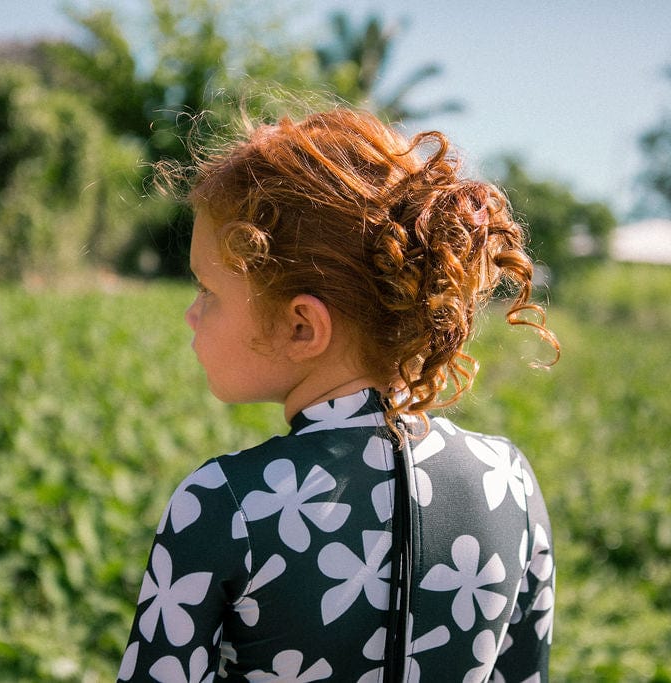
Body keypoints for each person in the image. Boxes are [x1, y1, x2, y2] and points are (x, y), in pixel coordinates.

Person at [117, 107, 557, 683]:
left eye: (208, 290)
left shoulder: (227, 505)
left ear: (302, 326)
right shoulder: (512, 484)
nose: (191, 314)